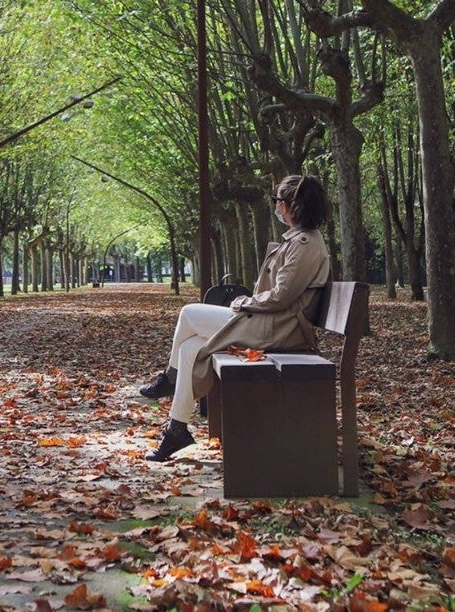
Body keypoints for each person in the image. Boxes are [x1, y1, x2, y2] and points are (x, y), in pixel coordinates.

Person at [140, 173, 331, 462]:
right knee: (189, 349)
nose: (276, 208)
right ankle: (176, 430)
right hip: (270, 322)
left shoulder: (305, 243)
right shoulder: (300, 240)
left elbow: (281, 296)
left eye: (279, 201)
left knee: (189, 313)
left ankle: (169, 377)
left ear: (295, 205)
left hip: (279, 328)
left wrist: (244, 303)